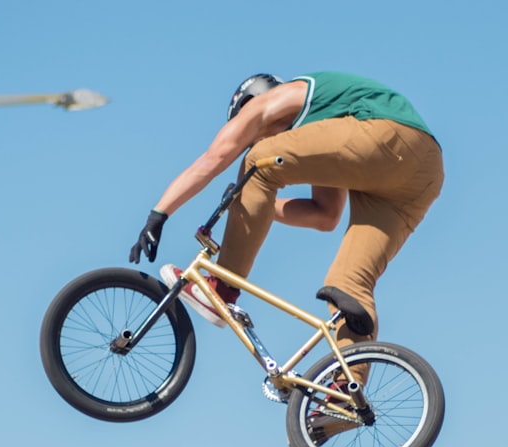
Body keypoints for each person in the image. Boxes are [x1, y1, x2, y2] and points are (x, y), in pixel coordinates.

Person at [129, 71, 443, 354]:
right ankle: (345, 399)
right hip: (422, 173)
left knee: (257, 162)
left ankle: (221, 289)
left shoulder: (270, 100)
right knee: (348, 284)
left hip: (387, 133)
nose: (253, 139)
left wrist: (158, 215)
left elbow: (214, 159)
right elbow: (325, 216)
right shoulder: (327, 128)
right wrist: (261, 204)